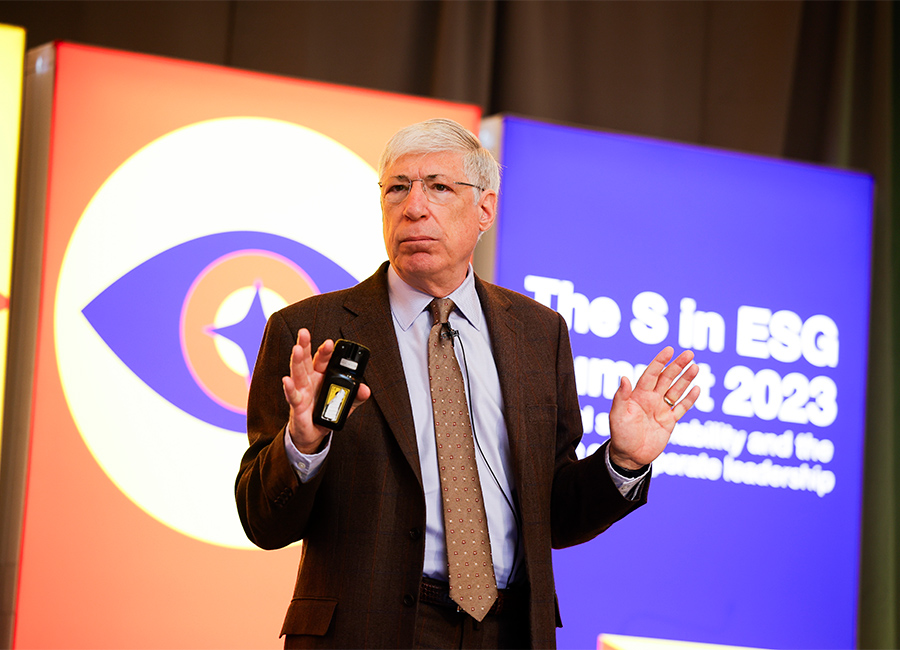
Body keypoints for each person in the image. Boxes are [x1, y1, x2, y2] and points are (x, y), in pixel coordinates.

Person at [235, 118, 700, 649]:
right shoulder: (313, 331)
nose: (413, 207)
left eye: (438, 186)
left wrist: (623, 461)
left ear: (485, 209)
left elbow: (556, 518)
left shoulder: (538, 334)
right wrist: (302, 445)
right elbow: (262, 522)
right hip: (367, 631)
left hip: (506, 631)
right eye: (397, 189)